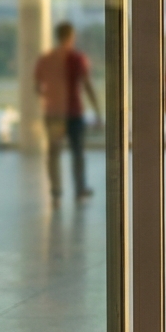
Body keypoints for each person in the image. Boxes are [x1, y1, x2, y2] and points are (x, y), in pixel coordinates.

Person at [35, 21, 102, 201]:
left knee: (54, 153)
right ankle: (80, 189)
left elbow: (38, 87)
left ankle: (56, 190)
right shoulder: (78, 59)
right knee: (77, 152)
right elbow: (87, 85)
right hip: (73, 112)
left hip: (54, 113)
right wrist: (97, 110)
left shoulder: (45, 59)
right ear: (72, 36)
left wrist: (50, 97)